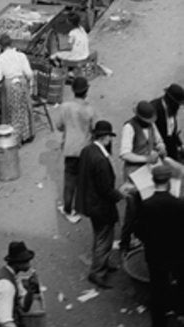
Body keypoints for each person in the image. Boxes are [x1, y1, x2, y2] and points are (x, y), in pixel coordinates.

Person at [135, 163, 184, 327]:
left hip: (155, 254)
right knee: (180, 282)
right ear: (169, 181)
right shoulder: (179, 204)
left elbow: (139, 230)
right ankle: (180, 311)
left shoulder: (147, 205)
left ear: (153, 180)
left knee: (157, 288)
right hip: (177, 253)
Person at [77, 120, 123, 288]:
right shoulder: (101, 161)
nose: (111, 141)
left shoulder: (88, 151)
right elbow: (106, 190)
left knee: (100, 236)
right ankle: (97, 272)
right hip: (101, 206)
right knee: (104, 238)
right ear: (105, 137)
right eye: (109, 137)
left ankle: (103, 262)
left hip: (90, 202)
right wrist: (121, 194)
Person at [119, 100, 167, 254]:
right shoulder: (129, 127)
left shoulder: (151, 126)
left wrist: (161, 146)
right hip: (134, 173)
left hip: (148, 171)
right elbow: (125, 154)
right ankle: (125, 242)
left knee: (147, 206)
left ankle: (142, 236)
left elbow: (158, 140)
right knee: (132, 209)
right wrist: (146, 159)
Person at [54, 76, 94, 223]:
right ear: (87, 91)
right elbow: (95, 129)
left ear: (72, 90)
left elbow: (58, 126)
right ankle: (81, 206)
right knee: (83, 179)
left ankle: (68, 209)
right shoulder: (89, 110)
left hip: (70, 148)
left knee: (70, 180)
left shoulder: (65, 107)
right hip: (85, 149)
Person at [0, 35, 34, 144]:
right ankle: (25, 135)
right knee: (23, 109)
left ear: (1, 46)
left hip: (10, 86)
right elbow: (29, 73)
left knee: (11, 112)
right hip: (21, 84)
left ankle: (14, 137)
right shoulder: (21, 55)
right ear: (12, 44)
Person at [150, 83, 184, 162]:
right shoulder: (154, 109)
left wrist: (180, 144)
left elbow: (172, 131)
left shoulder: (171, 110)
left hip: (171, 147)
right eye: (178, 104)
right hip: (158, 152)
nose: (179, 107)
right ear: (172, 102)